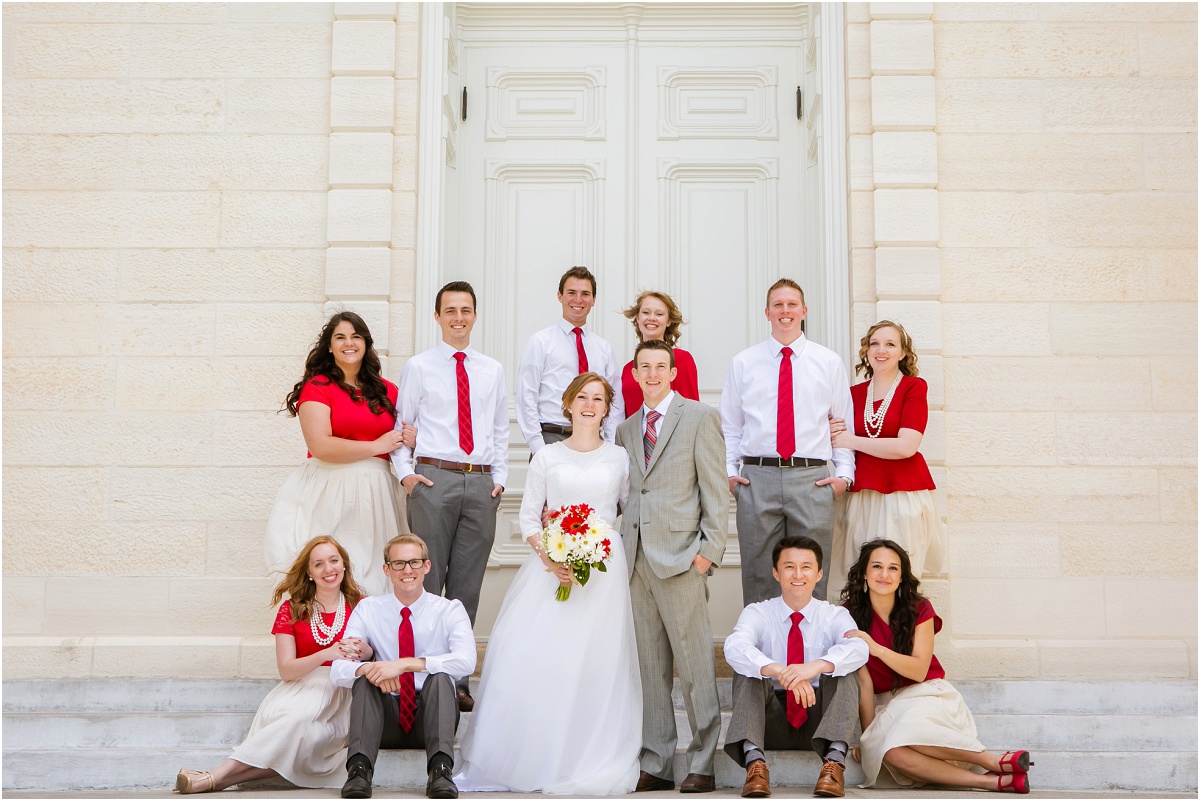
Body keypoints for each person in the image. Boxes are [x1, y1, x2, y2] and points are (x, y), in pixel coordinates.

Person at [456, 373, 641, 795]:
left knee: (597, 663)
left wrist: (602, 547)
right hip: (552, 569)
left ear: (607, 407)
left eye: (598, 398)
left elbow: (628, 512)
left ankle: (587, 753)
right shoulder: (547, 457)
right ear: (569, 403)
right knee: (544, 660)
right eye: (582, 397)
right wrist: (551, 556)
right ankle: (537, 754)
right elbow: (527, 516)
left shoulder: (619, 457)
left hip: (604, 575)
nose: (590, 404)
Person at [391, 281, 509, 712]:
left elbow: (499, 428)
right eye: (450, 310)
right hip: (433, 481)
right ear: (437, 317)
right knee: (426, 580)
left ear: (475, 316)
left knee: (466, 587)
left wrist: (499, 478)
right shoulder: (419, 367)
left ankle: (454, 677)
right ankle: (421, 677)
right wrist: (406, 475)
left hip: (480, 484)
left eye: (466, 310)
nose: (459, 317)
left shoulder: (492, 370)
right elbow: (403, 426)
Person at [174, 536, 370, 793]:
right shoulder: (291, 609)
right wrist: (326, 653)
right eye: (319, 564)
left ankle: (215, 777)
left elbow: (374, 653)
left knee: (310, 735)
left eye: (334, 561)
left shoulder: (362, 604)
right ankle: (215, 776)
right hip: (301, 691)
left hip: (341, 695)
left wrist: (365, 650)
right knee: (299, 721)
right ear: (309, 573)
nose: (328, 569)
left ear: (344, 565)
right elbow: (287, 670)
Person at [615, 340, 726, 793]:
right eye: (646, 367)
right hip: (637, 561)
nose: (654, 373)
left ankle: (703, 760)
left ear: (674, 372)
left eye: (661, 366)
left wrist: (708, 553)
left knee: (696, 665)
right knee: (650, 669)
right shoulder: (624, 430)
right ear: (636, 374)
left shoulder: (699, 417)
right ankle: (656, 760)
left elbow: (715, 491)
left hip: (683, 559)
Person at [842, 539, 1032, 794]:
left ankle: (993, 761)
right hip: (887, 707)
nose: (884, 575)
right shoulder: (847, 616)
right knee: (892, 752)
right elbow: (863, 682)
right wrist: (868, 736)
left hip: (927, 695)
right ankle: (993, 781)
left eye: (893, 568)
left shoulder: (919, 608)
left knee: (908, 728)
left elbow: (919, 670)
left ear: (901, 577)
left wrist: (876, 649)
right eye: (877, 566)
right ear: (865, 572)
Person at [720, 279, 855, 605]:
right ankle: (763, 653)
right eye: (778, 305)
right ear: (767, 312)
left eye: (792, 304)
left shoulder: (828, 362)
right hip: (757, 478)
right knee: (757, 573)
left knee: (809, 573)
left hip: (813, 479)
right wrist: (729, 473)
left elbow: (841, 423)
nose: (785, 311)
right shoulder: (743, 363)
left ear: (804, 311)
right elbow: (730, 426)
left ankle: (809, 651)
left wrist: (844, 475)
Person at [265, 312, 406, 596]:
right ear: (329, 346)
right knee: (334, 569)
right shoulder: (318, 387)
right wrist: (377, 446)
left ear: (366, 343)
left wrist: (410, 438)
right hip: (330, 489)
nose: (348, 343)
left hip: (377, 494)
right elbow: (321, 445)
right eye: (340, 337)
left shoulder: (387, 391)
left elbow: (404, 440)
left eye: (355, 336)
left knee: (376, 573)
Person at [331, 533, 477, 800]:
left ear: (427, 566)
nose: (407, 570)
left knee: (441, 677)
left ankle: (441, 770)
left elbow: (467, 660)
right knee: (364, 679)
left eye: (414, 562)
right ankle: (359, 770)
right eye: (398, 564)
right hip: (383, 718)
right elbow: (338, 669)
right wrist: (370, 670)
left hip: (432, 717)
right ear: (387, 569)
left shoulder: (449, 610)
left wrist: (405, 665)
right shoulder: (368, 610)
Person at [723, 535, 867, 799]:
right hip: (770, 719)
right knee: (749, 669)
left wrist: (812, 667)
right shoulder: (758, 612)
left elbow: (859, 649)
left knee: (842, 669)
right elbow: (734, 647)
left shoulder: (834, 614)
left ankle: (833, 764)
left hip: (821, 719)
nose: (798, 574)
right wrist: (781, 671)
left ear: (819, 574)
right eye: (789, 566)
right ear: (776, 573)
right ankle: (755, 764)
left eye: (806, 567)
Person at [827, 321, 944, 598]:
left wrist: (852, 441)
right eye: (875, 343)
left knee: (899, 574)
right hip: (860, 498)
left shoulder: (913, 387)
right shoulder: (852, 394)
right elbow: (833, 438)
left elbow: (907, 446)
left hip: (902, 497)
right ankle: (860, 641)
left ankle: (900, 640)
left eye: (890, 344)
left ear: (903, 353)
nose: (881, 350)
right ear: (866, 351)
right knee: (857, 576)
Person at [516, 266, 623, 454]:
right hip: (552, 438)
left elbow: (614, 404)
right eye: (571, 293)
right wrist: (539, 449)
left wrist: (611, 448)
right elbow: (526, 398)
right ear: (560, 296)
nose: (578, 300)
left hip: (594, 442)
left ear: (594, 300)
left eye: (585, 294)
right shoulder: (541, 342)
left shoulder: (603, 348)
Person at [619, 291, 700, 418]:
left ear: (668, 321)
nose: (651, 318)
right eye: (646, 312)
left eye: (659, 314)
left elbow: (692, 411)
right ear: (638, 318)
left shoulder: (682, 359)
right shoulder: (628, 369)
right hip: (635, 436)